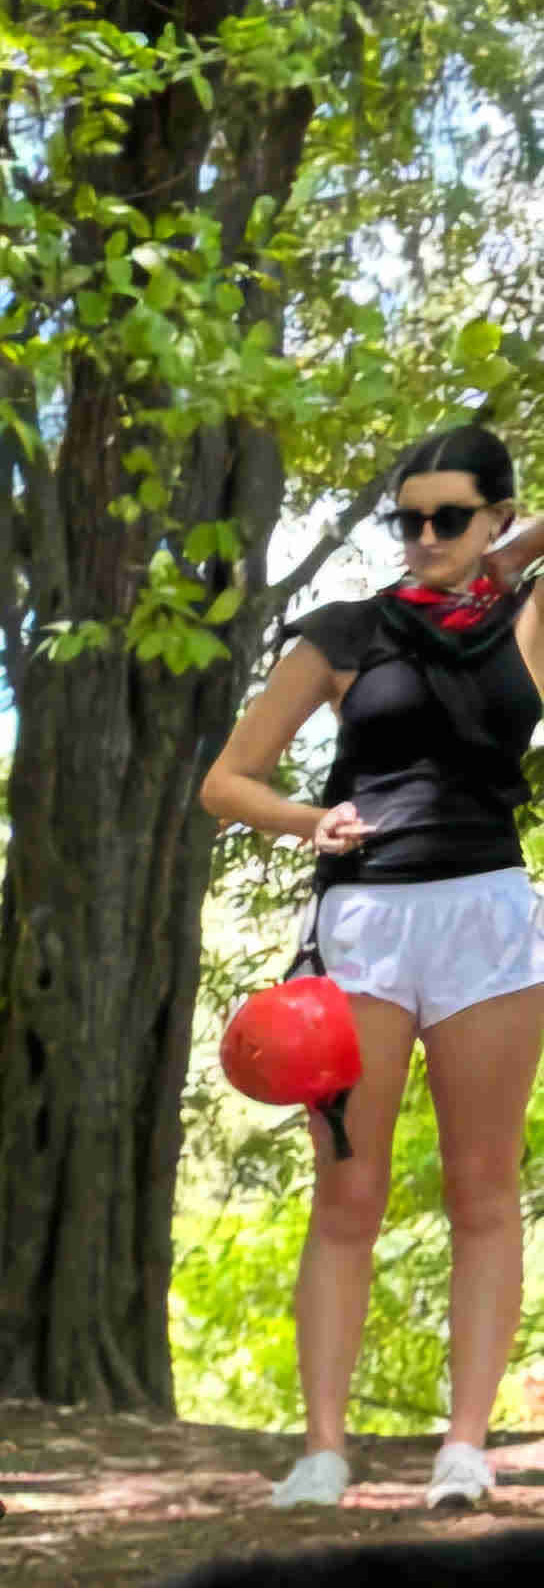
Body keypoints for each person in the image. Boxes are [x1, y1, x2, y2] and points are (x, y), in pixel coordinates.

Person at [199, 426, 544, 1512]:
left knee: (482, 1190)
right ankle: (322, 1450)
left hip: (487, 913)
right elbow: (225, 782)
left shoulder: (525, 621)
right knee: (348, 1191)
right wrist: (310, 820)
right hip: (365, 920)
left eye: (450, 516)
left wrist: (506, 558)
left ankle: (462, 1446)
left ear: (493, 518)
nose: (425, 536)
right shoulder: (347, 632)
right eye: (408, 518)